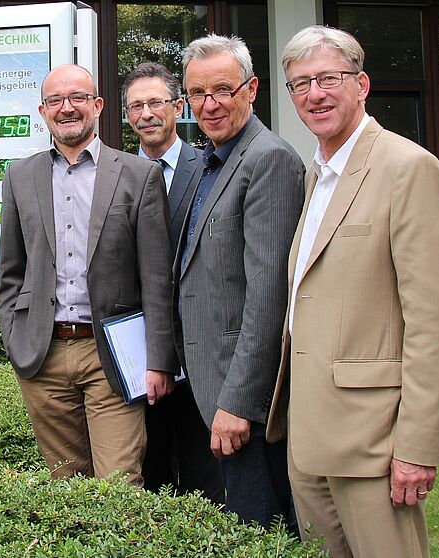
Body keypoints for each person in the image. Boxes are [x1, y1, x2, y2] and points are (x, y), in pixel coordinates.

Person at [266, 26, 439, 558]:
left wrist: (418, 447)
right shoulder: (320, 175)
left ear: (362, 85)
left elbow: (435, 322)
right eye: (301, 84)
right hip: (309, 439)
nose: (315, 94)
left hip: (374, 443)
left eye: (329, 79)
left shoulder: (407, 168)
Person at [0, 64, 175, 486]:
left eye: (77, 98)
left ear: (97, 106)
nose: (67, 108)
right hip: (44, 356)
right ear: (43, 111)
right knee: (67, 489)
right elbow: (10, 273)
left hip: (110, 353)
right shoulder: (19, 176)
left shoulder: (137, 174)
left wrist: (159, 360)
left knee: (119, 486)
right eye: (56, 100)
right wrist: (15, 337)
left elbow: (156, 279)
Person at [176, 34, 304, 530]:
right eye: (197, 93)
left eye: (223, 90)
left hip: (242, 404)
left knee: (262, 527)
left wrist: (240, 402)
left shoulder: (267, 159)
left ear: (251, 90)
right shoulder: (213, 159)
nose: (209, 105)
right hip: (208, 386)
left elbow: (269, 294)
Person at [122, 61, 224, 503]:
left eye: (156, 102)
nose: (146, 113)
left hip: (202, 345)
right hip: (139, 350)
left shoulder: (210, 170)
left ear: (178, 107)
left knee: (206, 474)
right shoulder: (116, 178)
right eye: (136, 106)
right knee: (152, 470)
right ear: (126, 116)